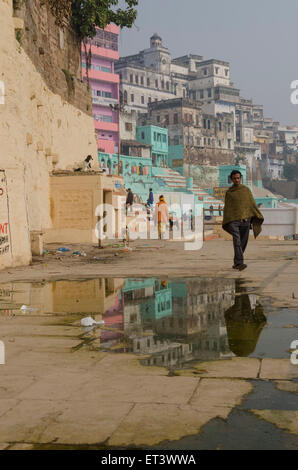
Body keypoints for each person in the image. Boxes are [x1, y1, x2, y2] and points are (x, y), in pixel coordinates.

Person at [222, 170, 264, 271]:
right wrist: (228, 219)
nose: (237, 180)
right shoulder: (229, 193)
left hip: (245, 221)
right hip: (233, 221)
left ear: (240, 178)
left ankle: (236, 263)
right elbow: (228, 208)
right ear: (231, 179)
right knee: (237, 241)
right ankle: (240, 263)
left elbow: (251, 204)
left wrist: (254, 216)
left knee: (243, 243)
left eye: (238, 178)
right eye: (234, 178)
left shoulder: (246, 190)